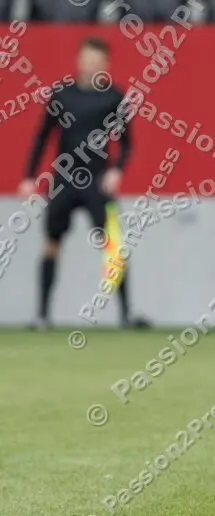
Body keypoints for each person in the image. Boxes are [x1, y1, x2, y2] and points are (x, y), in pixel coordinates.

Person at [18, 37, 148, 330]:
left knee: (113, 246)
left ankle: (126, 315)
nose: (90, 65)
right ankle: (42, 316)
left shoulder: (114, 98)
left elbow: (127, 144)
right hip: (63, 180)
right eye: (86, 59)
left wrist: (117, 171)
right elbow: (42, 137)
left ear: (104, 64)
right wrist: (29, 176)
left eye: (96, 61)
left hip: (96, 181)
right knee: (51, 243)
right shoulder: (61, 96)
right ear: (79, 61)